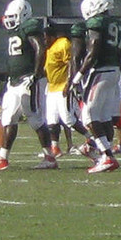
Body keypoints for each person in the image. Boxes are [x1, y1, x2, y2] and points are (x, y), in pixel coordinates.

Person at [0, 0, 58, 170]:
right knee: (8, 117)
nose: (9, 20)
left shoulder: (30, 27)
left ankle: (50, 157)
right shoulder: (16, 31)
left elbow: (41, 49)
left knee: (35, 119)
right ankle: (2, 157)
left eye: (13, 16)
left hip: (29, 80)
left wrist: (34, 75)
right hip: (15, 81)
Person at [75, 0, 121, 174]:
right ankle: (104, 152)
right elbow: (119, 52)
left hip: (101, 71)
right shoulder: (117, 24)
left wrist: (78, 76)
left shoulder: (97, 22)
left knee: (88, 116)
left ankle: (106, 155)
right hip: (114, 71)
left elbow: (93, 51)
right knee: (104, 116)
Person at [41, 21, 75, 156]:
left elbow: (71, 63)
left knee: (68, 119)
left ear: (51, 36)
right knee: (51, 119)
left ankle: (90, 139)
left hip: (63, 86)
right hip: (52, 88)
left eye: (45, 37)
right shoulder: (49, 48)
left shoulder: (63, 43)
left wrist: (69, 83)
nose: (44, 41)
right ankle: (55, 147)